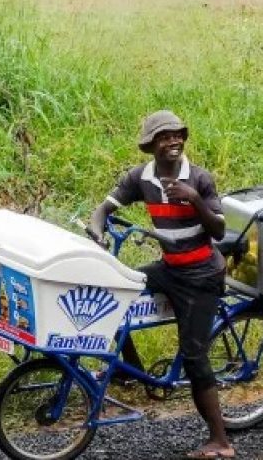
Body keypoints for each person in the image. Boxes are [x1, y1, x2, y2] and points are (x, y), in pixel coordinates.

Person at [88, 110, 234, 460]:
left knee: (195, 357)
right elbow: (103, 209)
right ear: (151, 145)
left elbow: (217, 231)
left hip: (201, 275)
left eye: (178, 135)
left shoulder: (199, 178)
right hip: (170, 267)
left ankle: (221, 442)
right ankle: (129, 372)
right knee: (116, 290)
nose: (173, 141)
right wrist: (96, 228)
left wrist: (194, 199)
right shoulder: (142, 177)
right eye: (164, 137)